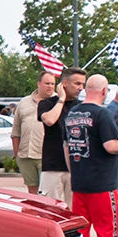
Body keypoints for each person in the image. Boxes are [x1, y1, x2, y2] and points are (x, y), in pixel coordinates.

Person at [63, 73, 118, 237]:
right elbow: (110, 146)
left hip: (80, 181)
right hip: (103, 182)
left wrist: (74, 172)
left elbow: (67, 147)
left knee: (81, 228)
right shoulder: (102, 114)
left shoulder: (72, 114)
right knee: (107, 228)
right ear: (104, 91)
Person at [37, 67, 84, 206]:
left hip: (75, 167)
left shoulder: (82, 107)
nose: (80, 88)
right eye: (77, 83)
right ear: (64, 84)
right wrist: (62, 98)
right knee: (50, 210)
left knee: (75, 211)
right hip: (52, 166)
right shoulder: (46, 103)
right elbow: (50, 120)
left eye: (83, 84)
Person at [11, 72, 54, 193]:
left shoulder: (57, 103)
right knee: (32, 192)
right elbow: (16, 131)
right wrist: (17, 155)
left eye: (52, 84)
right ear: (39, 84)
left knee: (47, 192)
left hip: (46, 156)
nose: (50, 86)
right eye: (47, 83)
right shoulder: (24, 102)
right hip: (25, 155)